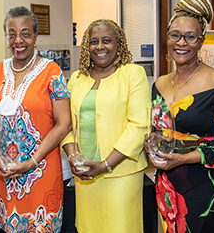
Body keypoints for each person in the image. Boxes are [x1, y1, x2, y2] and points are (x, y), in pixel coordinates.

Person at [147, 0, 214, 233]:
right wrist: (154, 140)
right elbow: (159, 129)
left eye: (190, 36)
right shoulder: (160, 84)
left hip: (207, 183)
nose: (181, 43)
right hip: (168, 183)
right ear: (167, 38)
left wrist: (187, 157)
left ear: (201, 40)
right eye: (175, 35)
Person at [0, 6, 71, 233]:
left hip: (41, 171)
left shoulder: (52, 71)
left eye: (25, 33)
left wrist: (32, 161)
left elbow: (64, 123)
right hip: (6, 174)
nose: (18, 40)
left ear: (35, 37)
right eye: (11, 34)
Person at [61, 19, 151, 233]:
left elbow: (140, 125)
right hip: (85, 176)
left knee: (121, 227)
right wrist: (74, 158)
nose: (99, 46)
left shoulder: (132, 74)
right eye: (94, 41)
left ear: (118, 44)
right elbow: (65, 124)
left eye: (106, 40)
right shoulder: (76, 78)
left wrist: (106, 164)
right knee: (88, 227)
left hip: (121, 174)